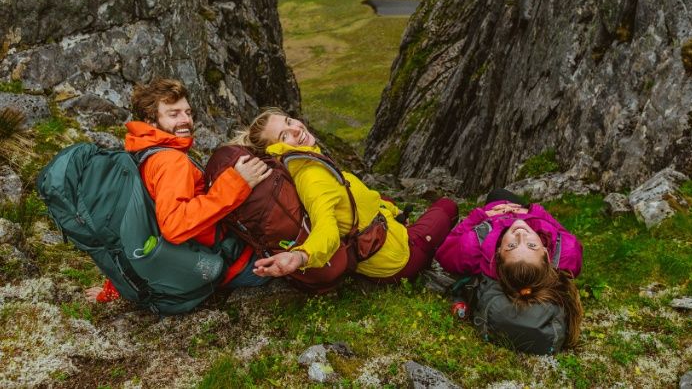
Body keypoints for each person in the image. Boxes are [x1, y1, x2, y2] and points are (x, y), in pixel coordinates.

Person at [85, 78, 272, 302]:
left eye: (188, 112)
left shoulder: (140, 157)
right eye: (173, 114)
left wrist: (115, 289)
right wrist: (236, 183)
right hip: (233, 265)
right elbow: (174, 226)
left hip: (188, 265)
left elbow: (137, 224)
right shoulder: (171, 161)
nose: (185, 120)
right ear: (150, 121)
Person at [229, 108, 459, 283]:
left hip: (384, 237)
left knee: (386, 201)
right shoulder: (312, 177)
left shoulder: (302, 162)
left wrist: (393, 212)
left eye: (290, 121)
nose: (297, 130)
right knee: (448, 207)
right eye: (284, 135)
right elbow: (325, 226)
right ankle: (431, 256)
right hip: (397, 259)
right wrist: (301, 257)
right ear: (274, 152)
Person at [435, 188, 584, 349]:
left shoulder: (473, 247)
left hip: (496, 210)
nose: (521, 234)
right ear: (546, 254)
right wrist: (533, 211)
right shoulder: (566, 253)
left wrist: (483, 215)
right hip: (528, 213)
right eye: (532, 245)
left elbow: (446, 248)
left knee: (496, 193)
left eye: (511, 245)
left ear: (498, 254)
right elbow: (560, 230)